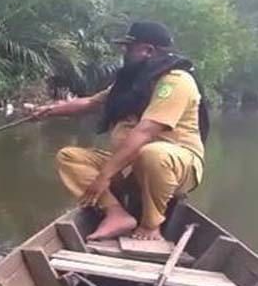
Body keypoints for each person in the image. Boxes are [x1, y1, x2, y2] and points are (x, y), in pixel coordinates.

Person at [34, 21, 209, 241]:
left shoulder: (175, 81)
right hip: (132, 165)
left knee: (153, 155)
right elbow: (90, 103)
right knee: (69, 157)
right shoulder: (132, 81)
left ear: (147, 50)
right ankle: (116, 213)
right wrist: (50, 110)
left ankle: (151, 224)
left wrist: (104, 176)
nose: (123, 52)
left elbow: (145, 131)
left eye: (128, 47)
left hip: (176, 166)